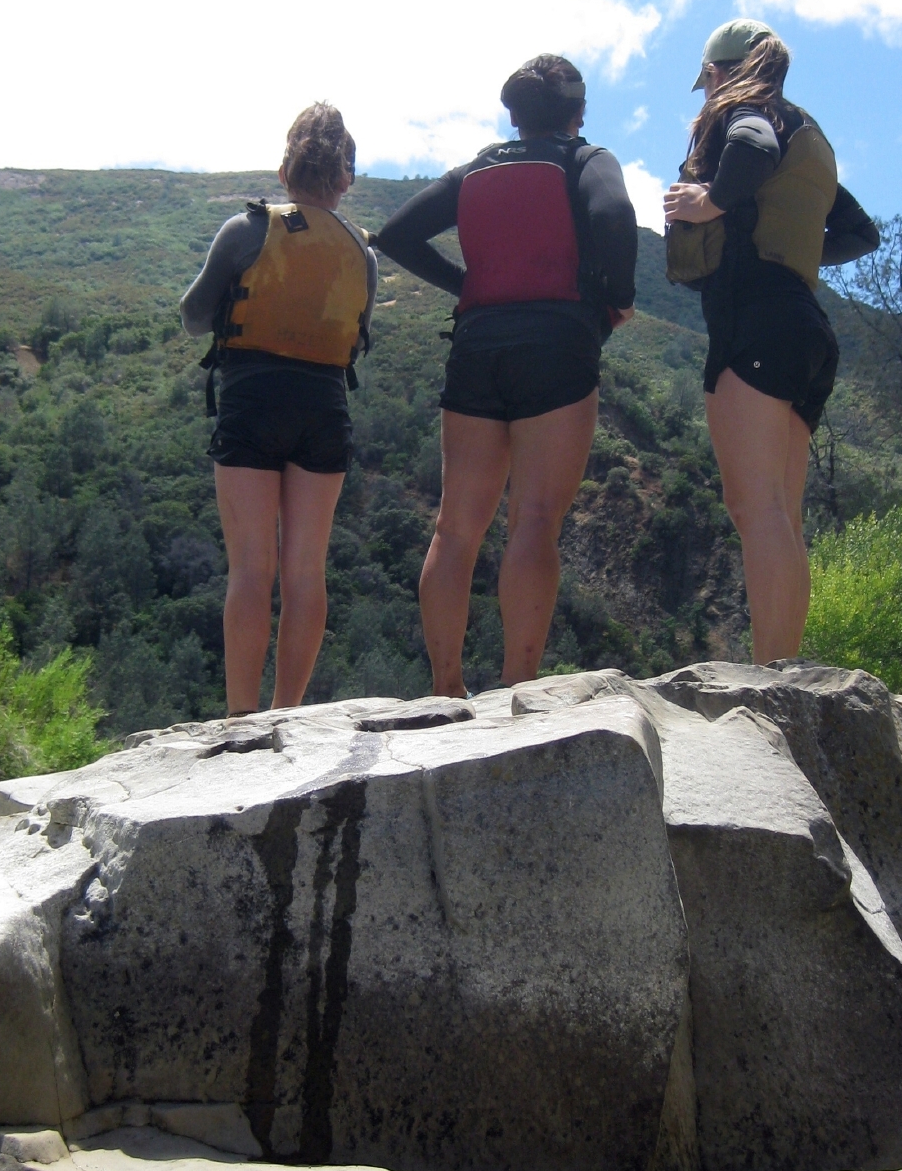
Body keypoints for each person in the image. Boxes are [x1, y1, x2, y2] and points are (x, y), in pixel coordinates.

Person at [376, 54, 637, 696]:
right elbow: (611, 216)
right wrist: (614, 297)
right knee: (536, 517)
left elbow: (396, 234)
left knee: (455, 525)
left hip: (477, 344)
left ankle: (445, 687)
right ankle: (520, 682)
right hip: (557, 343)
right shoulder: (586, 160)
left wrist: (468, 287)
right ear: (576, 111)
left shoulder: (475, 170)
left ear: (516, 116)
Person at [663, 19, 878, 664]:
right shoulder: (805, 134)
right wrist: (799, 249)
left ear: (721, 71)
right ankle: (783, 670)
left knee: (755, 510)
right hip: (804, 325)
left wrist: (710, 201)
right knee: (781, 515)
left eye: (706, 79)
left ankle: (768, 681)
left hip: (754, 318)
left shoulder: (750, 113)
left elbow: (749, 145)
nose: (705, 94)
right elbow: (861, 232)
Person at [181, 103, 377, 715]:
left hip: (251, 401)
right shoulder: (363, 254)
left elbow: (192, 316)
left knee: (250, 572)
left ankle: (240, 720)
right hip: (323, 407)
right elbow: (356, 331)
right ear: (344, 177)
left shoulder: (247, 231)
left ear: (287, 168)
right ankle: (286, 711)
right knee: (305, 572)